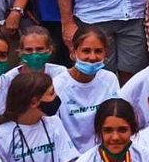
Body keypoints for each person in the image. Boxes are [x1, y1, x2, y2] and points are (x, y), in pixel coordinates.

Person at [49, 24, 121, 153]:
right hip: (70, 156)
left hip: (104, 154)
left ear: (106, 53)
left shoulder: (110, 79)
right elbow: (55, 130)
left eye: (98, 51)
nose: (92, 57)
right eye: (86, 51)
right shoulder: (57, 85)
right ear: (73, 52)